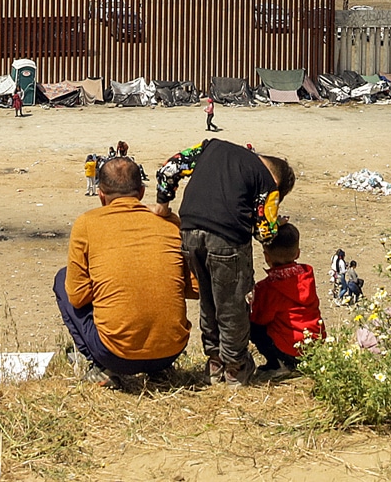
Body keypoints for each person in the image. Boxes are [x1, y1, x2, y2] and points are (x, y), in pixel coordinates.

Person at [155, 139, 295, 386]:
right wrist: (276, 224)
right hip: (227, 241)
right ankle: (235, 368)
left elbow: (170, 168)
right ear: (277, 182)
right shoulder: (266, 180)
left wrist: (163, 205)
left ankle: (214, 362)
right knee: (232, 305)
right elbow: (265, 233)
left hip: (189, 233)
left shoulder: (213, 147)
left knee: (208, 300)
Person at [54, 157, 195, 386]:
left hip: (115, 355)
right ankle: (155, 369)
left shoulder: (87, 223)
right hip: (171, 351)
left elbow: (78, 298)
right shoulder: (169, 222)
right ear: (140, 192)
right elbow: (194, 288)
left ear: (101, 195)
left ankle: (100, 366)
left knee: (63, 278)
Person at [249, 223, 325, 375]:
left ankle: (278, 364)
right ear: (297, 253)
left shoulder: (269, 287)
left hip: (290, 349)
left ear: (266, 256)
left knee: (253, 328)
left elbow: (261, 319)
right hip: (314, 345)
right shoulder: (307, 276)